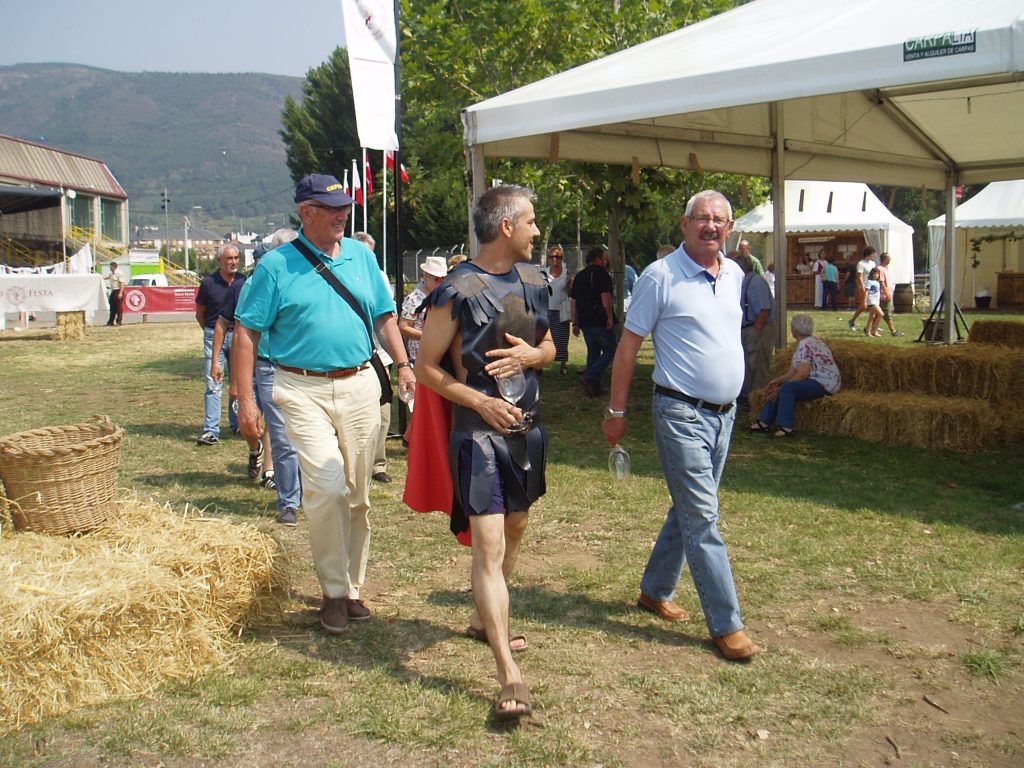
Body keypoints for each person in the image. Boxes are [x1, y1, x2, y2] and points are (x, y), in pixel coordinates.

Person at [233, 173, 414, 635]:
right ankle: (333, 592)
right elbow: (246, 332)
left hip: (358, 385)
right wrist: (246, 402)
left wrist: (404, 364)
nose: (342, 215)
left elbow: (384, 315)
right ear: (305, 213)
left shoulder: (361, 256)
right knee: (327, 487)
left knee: (358, 494)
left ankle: (352, 589)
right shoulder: (275, 267)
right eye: (331, 208)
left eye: (345, 207)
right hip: (299, 388)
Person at [415, 184, 554, 720]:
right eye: (531, 222)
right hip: (477, 434)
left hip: (527, 430)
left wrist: (533, 356)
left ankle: (481, 619)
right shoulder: (456, 289)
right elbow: (427, 365)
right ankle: (508, 674)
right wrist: (478, 401)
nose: (536, 232)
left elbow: (549, 346)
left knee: (516, 526)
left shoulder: (536, 282)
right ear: (506, 227)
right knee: (489, 544)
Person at [602, 189, 758, 663]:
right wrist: (616, 411)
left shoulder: (735, 273)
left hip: (724, 416)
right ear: (685, 224)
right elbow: (628, 346)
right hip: (680, 413)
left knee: (689, 509)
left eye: (720, 220)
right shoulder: (660, 276)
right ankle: (727, 625)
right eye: (702, 219)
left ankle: (654, 589)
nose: (711, 227)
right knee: (703, 517)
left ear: (730, 230)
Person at [215, 230, 304, 526]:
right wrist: (239, 384)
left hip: (307, 368)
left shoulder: (309, 279)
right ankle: (289, 499)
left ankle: (306, 491)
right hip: (269, 366)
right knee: (280, 433)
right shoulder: (256, 283)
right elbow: (239, 331)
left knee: (306, 433)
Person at [751, 314, 841, 437]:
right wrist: (777, 381)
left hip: (824, 384)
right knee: (782, 386)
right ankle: (763, 421)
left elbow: (802, 374)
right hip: (822, 381)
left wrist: (780, 388)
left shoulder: (805, 345)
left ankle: (785, 427)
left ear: (794, 330)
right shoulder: (811, 342)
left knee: (787, 388)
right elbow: (794, 371)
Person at [357, 231, 400, 484]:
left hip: (379, 354)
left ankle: (377, 464)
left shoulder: (380, 277)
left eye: (369, 254)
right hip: (354, 355)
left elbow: (388, 315)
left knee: (383, 410)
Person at [195, 244, 243, 445]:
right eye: (229, 258)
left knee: (239, 382)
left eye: (236, 258)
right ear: (219, 261)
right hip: (215, 335)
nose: (233, 262)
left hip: (239, 335)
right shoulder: (208, 283)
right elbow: (200, 313)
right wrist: (210, 332)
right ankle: (211, 430)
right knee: (214, 383)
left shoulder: (243, 281)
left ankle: (237, 424)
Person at [571, 246, 616, 397]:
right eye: (604, 257)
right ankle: (590, 376)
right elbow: (606, 296)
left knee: (594, 351)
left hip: (584, 321)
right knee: (611, 349)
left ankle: (594, 386)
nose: (606, 260)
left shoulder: (579, 276)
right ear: (598, 258)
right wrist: (609, 317)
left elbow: (573, 301)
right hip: (599, 319)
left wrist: (575, 322)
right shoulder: (602, 274)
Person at [735, 252, 775, 400]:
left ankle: (759, 399)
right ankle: (748, 395)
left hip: (758, 328)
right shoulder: (745, 282)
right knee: (749, 364)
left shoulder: (756, 282)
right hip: (749, 328)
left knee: (758, 365)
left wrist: (756, 331)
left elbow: (764, 309)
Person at [399, 256, 448, 365]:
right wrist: (427, 336)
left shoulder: (443, 296)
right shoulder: (414, 299)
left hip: (439, 354)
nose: (440, 282)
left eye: (443, 279)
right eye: (436, 279)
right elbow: (403, 326)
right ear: (425, 276)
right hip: (419, 355)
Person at [545, 246, 572, 374]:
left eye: (558, 257)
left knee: (562, 337)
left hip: (562, 308)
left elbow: (571, 293)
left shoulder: (566, 273)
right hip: (546, 308)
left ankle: (563, 364)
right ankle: (541, 364)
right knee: (544, 336)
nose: (554, 259)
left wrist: (569, 285)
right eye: (552, 257)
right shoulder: (543, 273)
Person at [848, 246, 877, 330]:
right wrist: (862, 288)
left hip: (873, 286)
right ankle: (852, 321)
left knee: (874, 306)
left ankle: (871, 325)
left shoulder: (873, 263)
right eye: (873, 254)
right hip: (865, 286)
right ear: (868, 254)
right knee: (864, 306)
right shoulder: (861, 263)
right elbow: (859, 277)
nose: (874, 255)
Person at [876, 252, 903, 336]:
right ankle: (893, 331)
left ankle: (871, 328)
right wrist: (886, 293)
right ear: (885, 259)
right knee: (887, 313)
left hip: (886, 293)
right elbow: (882, 282)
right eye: (889, 259)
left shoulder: (885, 269)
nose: (890, 261)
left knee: (878, 313)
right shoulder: (880, 269)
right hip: (883, 295)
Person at [864, 266, 884, 337]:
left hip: (876, 301)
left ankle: (868, 332)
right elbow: (866, 291)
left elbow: (878, 292)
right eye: (875, 273)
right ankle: (874, 330)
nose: (876, 275)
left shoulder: (877, 283)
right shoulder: (869, 282)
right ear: (871, 274)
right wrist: (865, 301)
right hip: (872, 302)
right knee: (881, 314)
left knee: (871, 317)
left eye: (877, 274)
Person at [106, 261, 125, 326]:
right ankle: (111, 321)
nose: (110, 268)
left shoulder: (119, 273)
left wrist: (120, 293)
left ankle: (119, 321)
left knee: (118, 307)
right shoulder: (111, 274)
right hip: (113, 291)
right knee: (112, 306)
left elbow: (122, 283)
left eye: (111, 266)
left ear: (114, 267)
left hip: (118, 290)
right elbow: (106, 277)